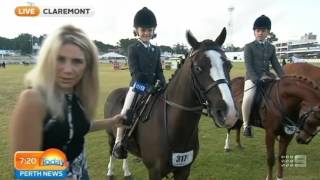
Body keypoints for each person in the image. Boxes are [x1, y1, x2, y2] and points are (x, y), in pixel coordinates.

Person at [9, 25, 126, 180]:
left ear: (87, 67)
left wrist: (112, 121)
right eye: (60, 59)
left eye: (77, 61)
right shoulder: (33, 99)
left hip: (82, 172)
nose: (68, 69)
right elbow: (24, 167)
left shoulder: (74, 95)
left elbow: (76, 126)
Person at [112, 7, 166, 159]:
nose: (147, 33)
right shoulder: (133, 49)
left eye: (149, 30)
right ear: (136, 30)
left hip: (154, 88)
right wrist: (146, 87)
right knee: (125, 111)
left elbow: (159, 70)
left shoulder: (156, 49)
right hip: (138, 86)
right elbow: (135, 73)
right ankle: (118, 143)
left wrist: (162, 82)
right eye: (143, 30)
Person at [242, 15, 284, 137]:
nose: (260, 33)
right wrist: (255, 79)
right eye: (258, 30)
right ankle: (246, 125)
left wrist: (284, 77)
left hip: (267, 76)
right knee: (248, 97)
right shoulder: (248, 47)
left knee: (280, 92)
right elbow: (248, 65)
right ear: (254, 31)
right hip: (252, 77)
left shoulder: (271, 47)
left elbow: (276, 64)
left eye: (263, 31)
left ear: (268, 32)